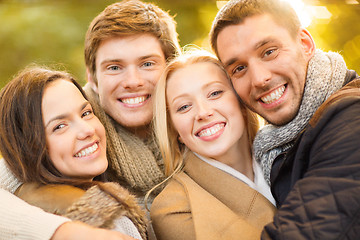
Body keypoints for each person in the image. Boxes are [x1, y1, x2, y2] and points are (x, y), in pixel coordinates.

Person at [0, 0, 180, 239]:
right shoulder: (76, 114)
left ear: (173, 68)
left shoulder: (200, 119)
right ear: (92, 78)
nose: (133, 81)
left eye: (147, 64)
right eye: (114, 67)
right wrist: (64, 231)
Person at [210, 0, 360, 239]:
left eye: (269, 52)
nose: (259, 78)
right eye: (239, 68)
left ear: (305, 43)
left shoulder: (351, 118)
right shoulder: (275, 147)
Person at [0, 67, 147, 240]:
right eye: (60, 126)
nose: (87, 129)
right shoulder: (98, 222)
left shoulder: (105, 196)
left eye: (86, 113)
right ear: (28, 149)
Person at [149, 51, 276, 240]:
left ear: (240, 101)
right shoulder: (173, 208)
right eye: (184, 107)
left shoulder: (292, 153)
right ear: (175, 130)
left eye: (215, 93)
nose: (203, 112)